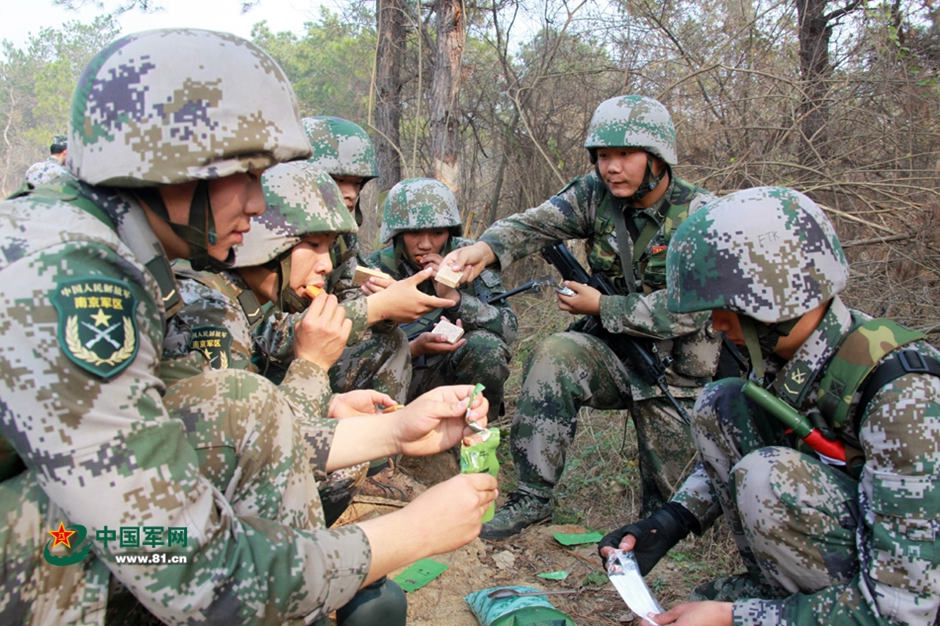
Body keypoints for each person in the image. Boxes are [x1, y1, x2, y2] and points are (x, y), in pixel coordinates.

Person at [0, 28, 497, 624]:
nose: (261, 206)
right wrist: (408, 534)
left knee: (243, 403)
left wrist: (394, 432)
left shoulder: (105, 245)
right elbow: (186, 563)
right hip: (48, 551)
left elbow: (215, 427)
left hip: (54, 526)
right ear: (171, 162)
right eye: (249, 175)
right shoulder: (69, 279)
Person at [598, 186, 940, 625]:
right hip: (865, 573)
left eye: (727, 307)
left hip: (904, 601)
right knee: (722, 403)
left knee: (767, 477)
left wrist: (738, 618)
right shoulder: (789, 356)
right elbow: (740, 445)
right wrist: (670, 522)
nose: (717, 325)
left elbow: (905, 612)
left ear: (779, 297)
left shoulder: (904, 398)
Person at [442, 95, 723, 540]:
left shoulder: (701, 215)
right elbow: (535, 225)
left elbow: (691, 310)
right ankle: (532, 497)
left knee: (676, 520)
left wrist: (602, 307)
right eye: (603, 156)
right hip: (614, 357)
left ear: (657, 158)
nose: (612, 168)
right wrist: (485, 249)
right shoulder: (594, 195)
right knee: (555, 354)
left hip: (678, 376)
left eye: (625, 155)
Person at [165, 160, 394, 526]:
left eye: (329, 247)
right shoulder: (210, 307)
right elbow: (253, 446)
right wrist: (312, 366)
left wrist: (332, 403)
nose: (325, 265)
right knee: (339, 463)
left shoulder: (245, 295)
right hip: (180, 506)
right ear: (264, 243)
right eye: (313, 244)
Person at [363, 177, 517, 421]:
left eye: (437, 233)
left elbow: (508, 329)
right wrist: (414, 348)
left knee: (486, 347)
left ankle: (474, 432)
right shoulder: (375, 270)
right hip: (397, 382)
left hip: (451, 374)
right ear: (397, 233)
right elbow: (351, 357)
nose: (426, 244)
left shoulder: (468, 258)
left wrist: (454, 298)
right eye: (414, 233)